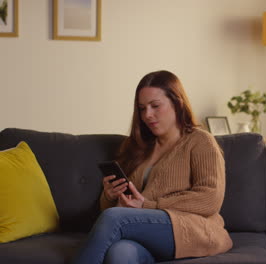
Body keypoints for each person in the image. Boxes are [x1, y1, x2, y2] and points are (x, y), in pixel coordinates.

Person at [73, 70, 233, 264]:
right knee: (120, 253)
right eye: (142, 108)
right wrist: (110, 196)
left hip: (192, 229)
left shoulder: (200, 141)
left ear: (177, 103)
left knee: (115, 218)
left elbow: (210, 199)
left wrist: (148, 206)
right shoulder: (139, 147)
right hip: (148, 232)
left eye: (155, 106)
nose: (147, 115)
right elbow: (119, 208)